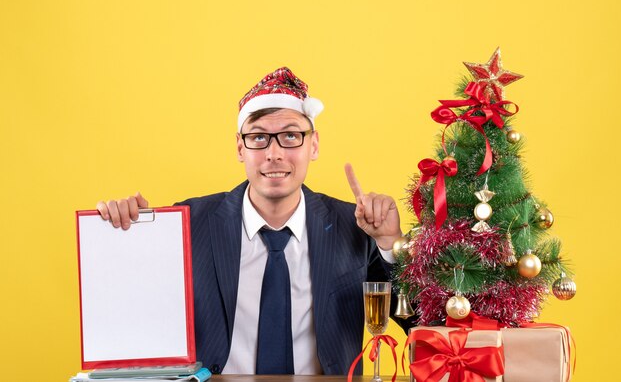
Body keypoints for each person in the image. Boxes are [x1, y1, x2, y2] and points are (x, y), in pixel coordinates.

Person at [96, 67, 404, 375]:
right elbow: (137, 316)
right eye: (258, 137)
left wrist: (390, 245)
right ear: (240, 147)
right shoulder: (189, 224)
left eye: (290, 136)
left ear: (314, 145)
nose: (274, 153)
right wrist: (126, 233)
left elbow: (418, 319)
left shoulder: (353, 226)